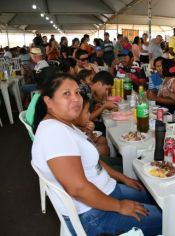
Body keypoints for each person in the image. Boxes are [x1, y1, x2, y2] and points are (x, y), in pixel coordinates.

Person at [32, 74, 162, 236]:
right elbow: (78, 189)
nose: (76, 99)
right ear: (48, 101)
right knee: (167, 218)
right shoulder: (54, 133)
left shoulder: (64, 124)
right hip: (93, 214)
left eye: (77, 92)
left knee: (154, 195)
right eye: (66, 94)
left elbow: (94, 162)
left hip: (105, 191)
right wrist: (120, 206)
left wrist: (123, 178)